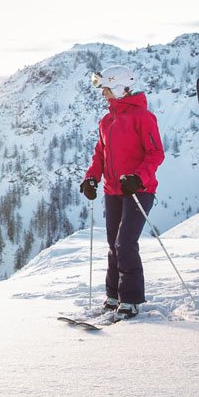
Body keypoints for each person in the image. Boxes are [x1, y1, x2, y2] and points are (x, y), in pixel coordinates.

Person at [79, 65, 164, 318]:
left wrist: (138, 179)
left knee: (125, 243)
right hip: (113, 191)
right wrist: (91, 179)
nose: (103, 94)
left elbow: (156, 153)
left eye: (105, 89)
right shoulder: (107, 121)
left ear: (119, 87)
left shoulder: (143, 117)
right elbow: (100, 156)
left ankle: (131, 299)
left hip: (139, 190)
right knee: (113, 245)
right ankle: (113, 295)